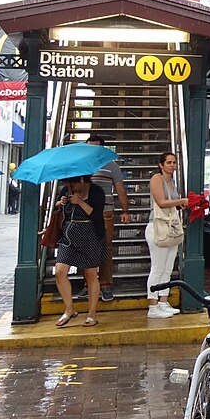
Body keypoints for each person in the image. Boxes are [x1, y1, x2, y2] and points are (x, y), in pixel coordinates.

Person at [52, 175, 104, 329]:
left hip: (91, 235)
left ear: (81, 181)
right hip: (68, 236)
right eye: (68, 185)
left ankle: (92, 313)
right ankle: (69, 309)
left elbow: (96, 215)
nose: (71, 188)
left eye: (73, 185)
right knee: (60, 271)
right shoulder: (65, 190)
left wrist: (80, 202)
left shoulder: (96, 191)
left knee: (90, 275)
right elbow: (57, 207)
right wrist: (60, 203)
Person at [85, 133, 131, 302]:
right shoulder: (82, 166)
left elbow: (120, 189)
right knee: (86, 248)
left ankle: (105, 285)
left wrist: (125, 211)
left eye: (96, 147)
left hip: (106, 212)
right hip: (85, 212)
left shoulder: (111, 166)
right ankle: (88, 283)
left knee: (106, 248)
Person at [145, 152, 187, 320]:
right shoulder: (157, 179)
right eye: (168, 162)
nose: (172, 165)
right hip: (157, 227)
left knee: (168, 267)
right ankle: (153, 305)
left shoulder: (172, 182)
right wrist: (181, 201)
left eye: (174, 162)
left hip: (170, 227)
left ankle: (163, 301)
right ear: (161, 165)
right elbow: (161, 202)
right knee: (157, 267)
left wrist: (178, 205)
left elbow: (170, 203)